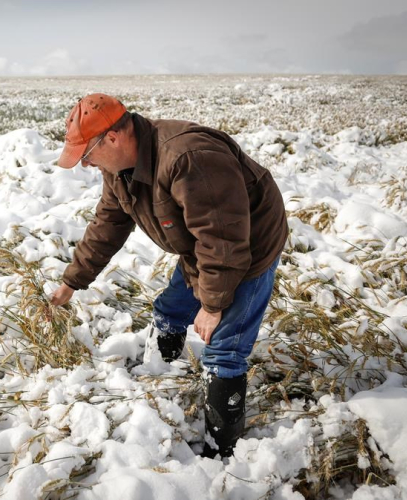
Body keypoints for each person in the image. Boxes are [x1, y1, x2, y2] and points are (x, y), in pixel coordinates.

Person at [49, 93, 288, 459]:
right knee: (170, 309)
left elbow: (222, 239)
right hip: (202, 246)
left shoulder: (188, 158)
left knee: (224, 350)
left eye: (86, 154)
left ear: (112, 138)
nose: (85, 164)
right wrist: (72, 281)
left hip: (247, 246)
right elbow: (108, 224)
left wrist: (212, 304)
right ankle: (162, 373)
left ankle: (222, 452)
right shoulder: (118, 169)